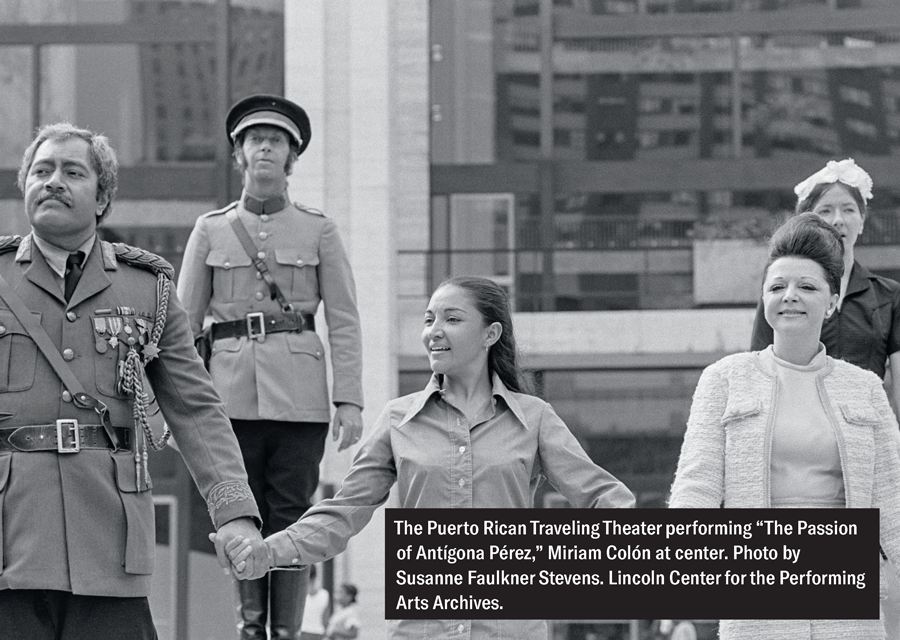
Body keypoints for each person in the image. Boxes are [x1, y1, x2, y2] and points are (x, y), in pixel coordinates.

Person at [226, 275, 635, 639]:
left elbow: (605, 499)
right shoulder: (398, 418)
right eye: (428, 320)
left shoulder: (534, 418)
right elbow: (342, 512)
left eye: (452, 319)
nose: (433, 332)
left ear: (490, 334)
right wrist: (270, 550)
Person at [0, 122, 267, 640]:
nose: (52, 181)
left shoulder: (148, 287)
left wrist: (234, 512)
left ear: (102, 199)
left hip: (109, 547)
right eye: (41, 171)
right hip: (9, 542)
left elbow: (194, 409)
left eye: (72, 172)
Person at [178, 94, 364, 640]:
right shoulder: (210, 230)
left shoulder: (319, 230)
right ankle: (249, 627)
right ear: (239, 155)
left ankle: (284, 631)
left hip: (300, 396)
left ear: (291, 158)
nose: (265, 147)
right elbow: (182, 329)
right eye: (254, 139)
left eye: (276, 140)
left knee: (291, 513)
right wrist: (171, 409)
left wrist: (348, 398)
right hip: (226, 396)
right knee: (239, 510)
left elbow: (346, 319)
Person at [670, 213, 900, 639]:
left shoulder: (865, 389)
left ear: (832, 301)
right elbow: (695, 490)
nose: (789, 296)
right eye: (777, 287)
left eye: (807, 287)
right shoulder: (724, 379)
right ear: (764, 298)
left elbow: (893, 505)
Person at [751, 158, 900, 412]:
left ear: (863, 220)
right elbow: (760, 368)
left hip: (864, 424)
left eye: (849, 210)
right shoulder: (782, 290)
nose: (838, 220)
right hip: (797, 420)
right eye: (826, 211)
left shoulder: (889, 295)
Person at [301, 564, 331, 640]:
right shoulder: (325, 594)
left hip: (302, 632)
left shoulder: (299, 594)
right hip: (318, 633)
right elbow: (325, 620)